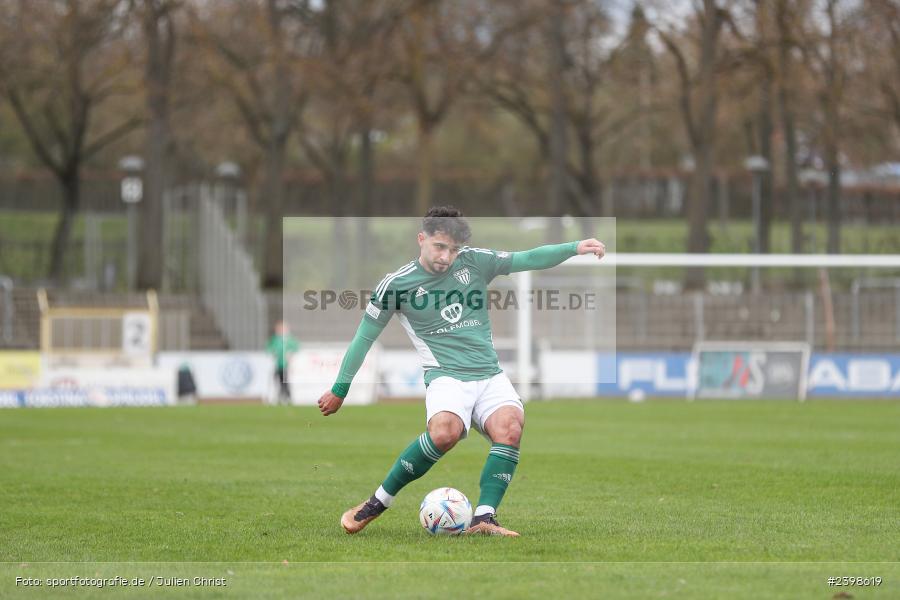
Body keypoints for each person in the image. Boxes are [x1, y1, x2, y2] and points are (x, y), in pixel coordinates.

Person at [317, 206, 605, 536]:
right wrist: (340, 389)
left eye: (453, 250)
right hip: (446, 376)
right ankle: (378, 502)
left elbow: (526, 258)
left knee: (510, 427)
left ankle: (484, 518)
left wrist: (573, 247)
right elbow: (363, 338)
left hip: (489, 375)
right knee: (444, 433)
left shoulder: (475, 261)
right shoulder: (395, 285)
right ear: (421, 239)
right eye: (440, 247)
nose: (447, 256)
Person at [267, 320, 299, 404]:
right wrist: (273, 352)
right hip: (278, 365)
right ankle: (280, 397)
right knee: (278, 381)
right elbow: (269, 348)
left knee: (285, 381)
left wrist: (290, 353)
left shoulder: (289, 339)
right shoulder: (275, 339)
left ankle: (287, 397)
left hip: (286, 365)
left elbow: (296, 347)